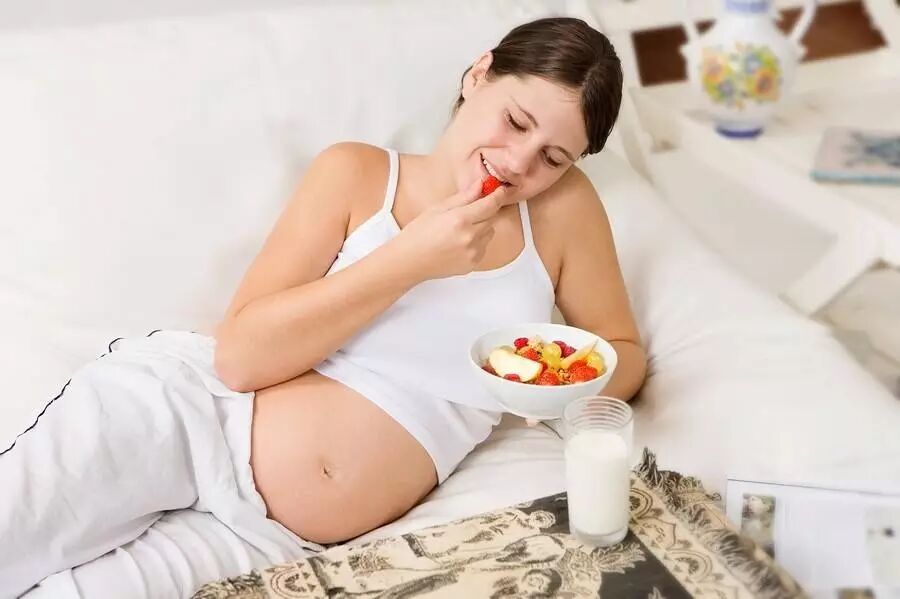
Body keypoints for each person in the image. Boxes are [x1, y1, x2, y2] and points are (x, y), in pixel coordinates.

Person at [0, 16, 646, 598]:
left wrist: (559, 389)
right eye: (516, 122)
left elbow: (622, 352)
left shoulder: (563, 213)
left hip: (267, 540)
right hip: (187, 419)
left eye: (553, 158)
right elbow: (239, 358)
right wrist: (411, 259)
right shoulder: (358, 174)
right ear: (479, 75)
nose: (519, 163)